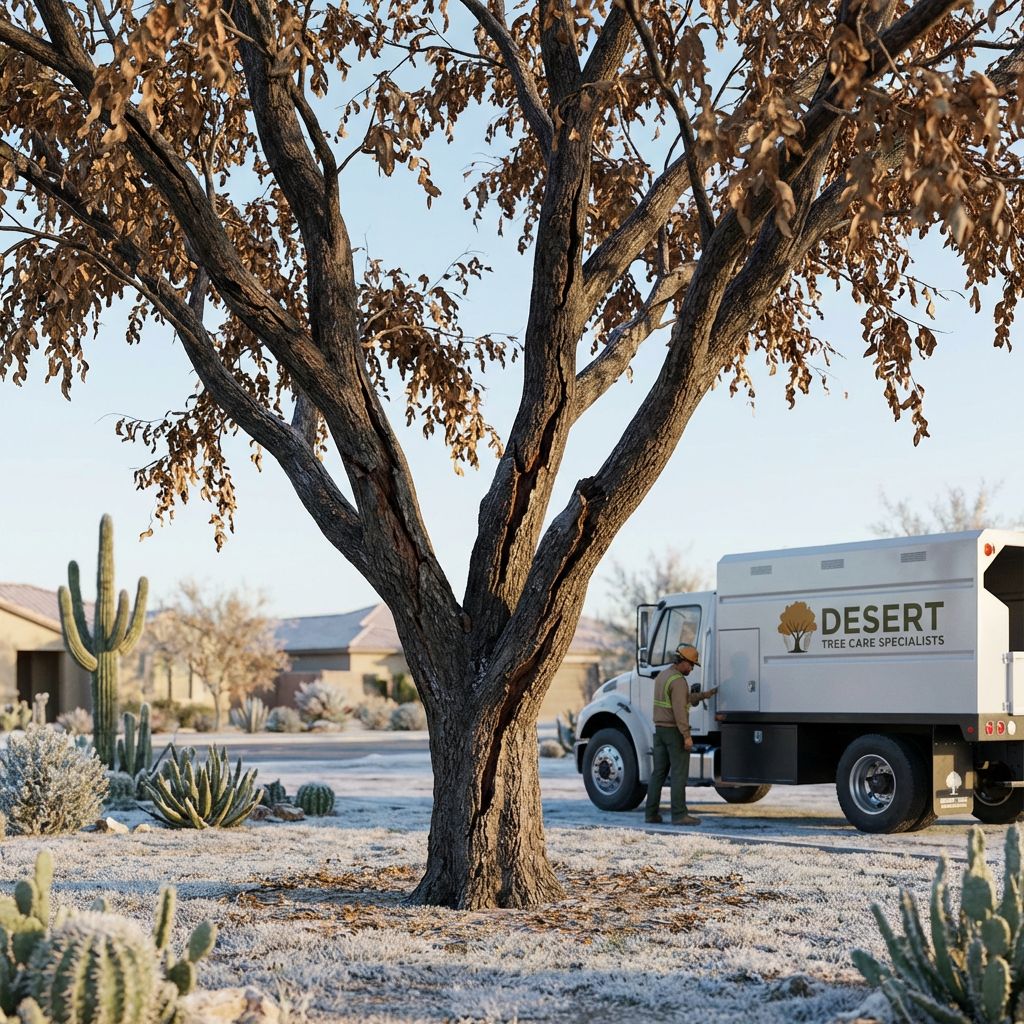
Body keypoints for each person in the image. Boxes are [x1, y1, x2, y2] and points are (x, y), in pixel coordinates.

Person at [645, 644, 718, 825]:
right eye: (691, 664)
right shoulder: (678, 681)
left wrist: (703, 695)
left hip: (660, 731)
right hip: (673, 732)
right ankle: (679, 815)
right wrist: (686, 735)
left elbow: (682, 699)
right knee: (678, 774)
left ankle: (651, 814)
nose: (692, 668)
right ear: (682, 661)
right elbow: (679, 709)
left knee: (658, 774)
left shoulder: (663, 676)